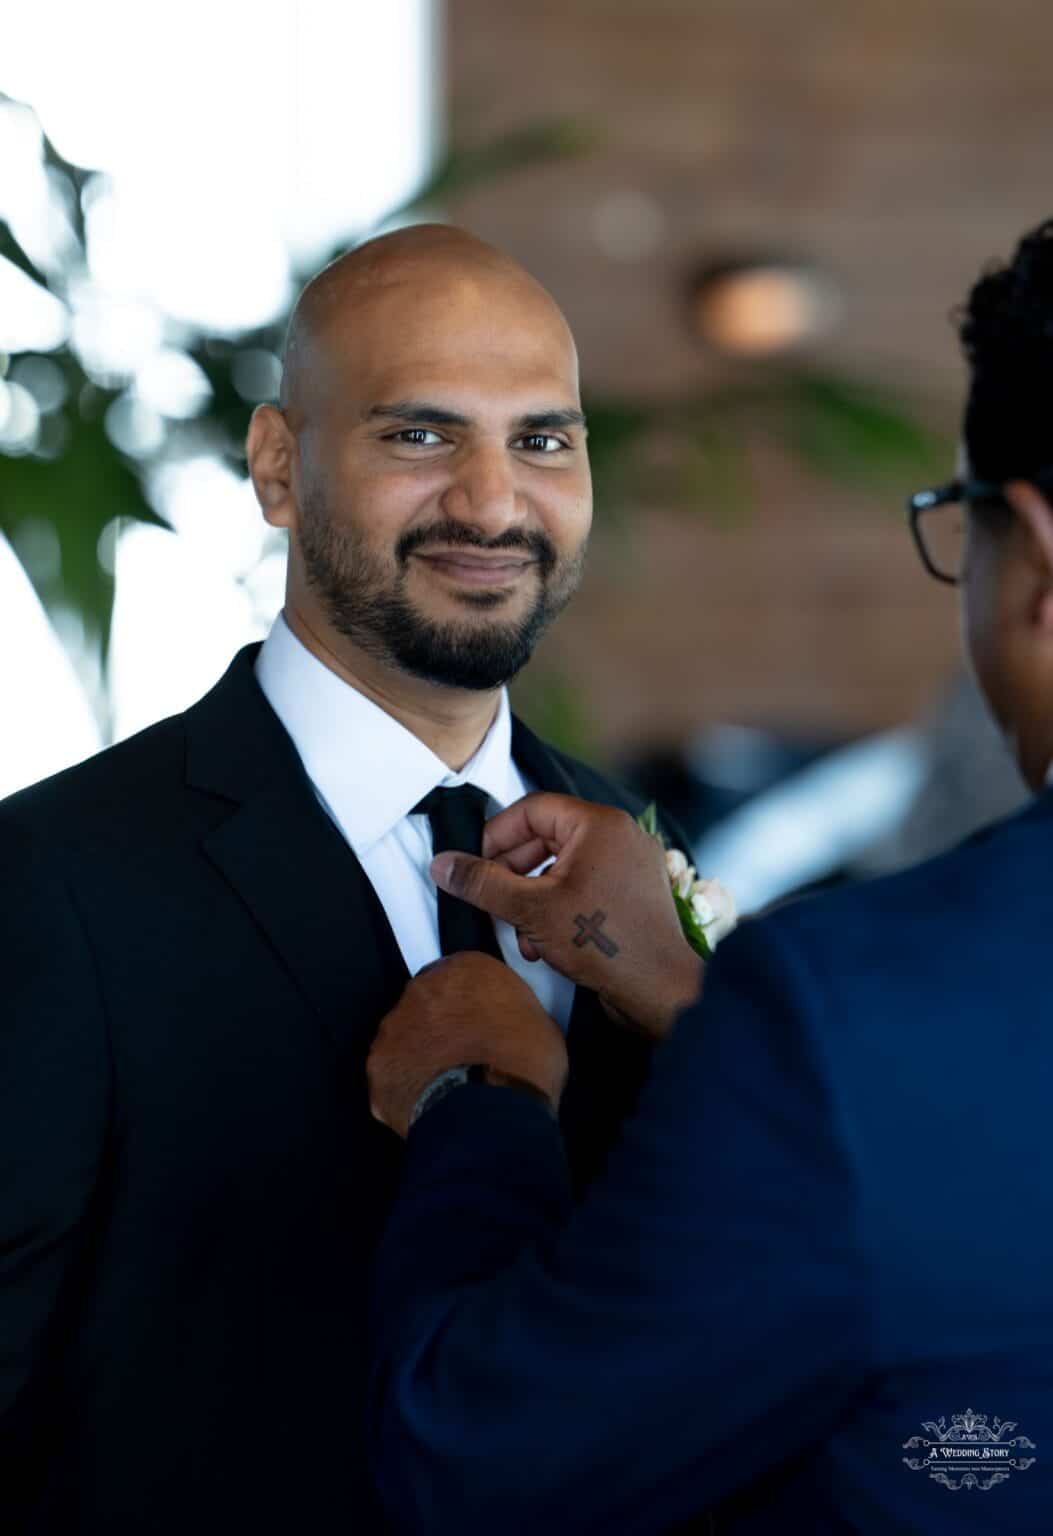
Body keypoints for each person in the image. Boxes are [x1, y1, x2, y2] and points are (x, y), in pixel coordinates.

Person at [0, 225, 691, 1535]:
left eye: (542, 439)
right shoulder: (50, 882)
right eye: (420, 436)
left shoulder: (644, 871)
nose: (492, 504)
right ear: (277, 466)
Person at [366, 219, 1053, 1534]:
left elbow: (480, 1464)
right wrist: (698, 1001)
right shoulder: (850, 1035)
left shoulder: (854, 1016)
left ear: (1034, 547)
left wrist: (479, 1100)